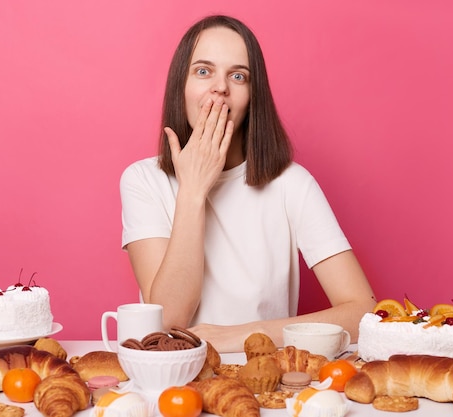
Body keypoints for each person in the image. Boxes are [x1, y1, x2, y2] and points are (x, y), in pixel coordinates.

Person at [120, 15, 376, 352]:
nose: (220, 87)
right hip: (176, 383)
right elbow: (169, 320)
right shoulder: (142, 180)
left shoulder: (292, 184)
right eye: (203, 71)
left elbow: (364, 311)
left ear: (253, 97)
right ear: (180, 88)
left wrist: (244, 335)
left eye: (238, 76)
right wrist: (193, 191)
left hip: (265, 377)